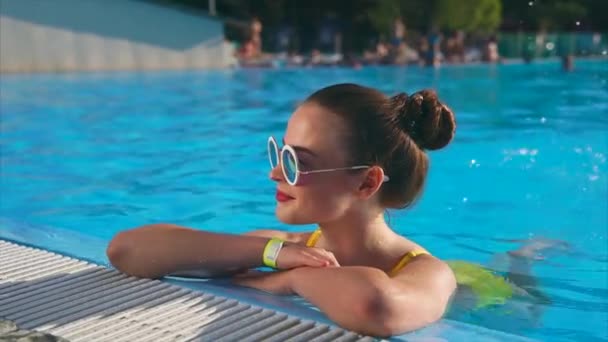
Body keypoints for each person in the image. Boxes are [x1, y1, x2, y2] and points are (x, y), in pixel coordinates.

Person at [106, 84, 556, 337]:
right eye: (279, 154)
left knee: (517, 281)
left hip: (484, 292)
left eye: (297, 162)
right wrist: (270, 255)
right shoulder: (296, 246)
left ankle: (522, 258)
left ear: (366, 182)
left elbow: (375, 306)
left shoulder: (429, 274)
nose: (274, 175)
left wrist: (291, 279)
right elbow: (127, 249)